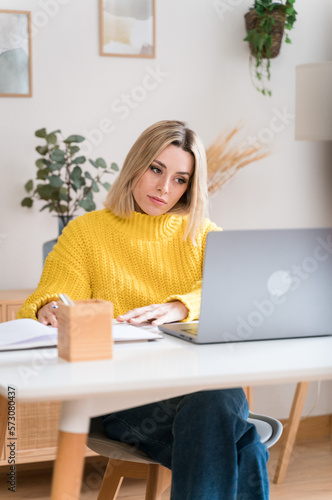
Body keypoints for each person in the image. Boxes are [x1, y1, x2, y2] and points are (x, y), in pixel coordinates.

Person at [18, 120, 269, 499]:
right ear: (136, 165)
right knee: (240, 439)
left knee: (214, 406)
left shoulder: (203, 234)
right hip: (121, 397)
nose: (165, 188)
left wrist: (180, 306)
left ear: (191, 185)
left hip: (199, 389)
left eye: (180, 179)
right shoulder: (87, 233)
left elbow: (242, 295)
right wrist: (51, 307)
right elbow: (54, 293)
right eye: (156, 169)